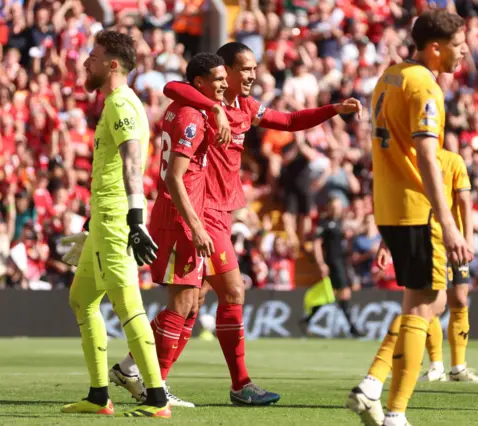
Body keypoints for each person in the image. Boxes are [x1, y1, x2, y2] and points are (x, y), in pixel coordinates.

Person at [118, 41, 362, 406]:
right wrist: (213, 106)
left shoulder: (244, 107)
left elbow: (291, 121)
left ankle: (136, 371)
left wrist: (333, 110)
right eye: (244, 69)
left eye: (253, 68)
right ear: (224, 72)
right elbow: (174, 87)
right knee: (223, 293)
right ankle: (221, 385)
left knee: (197, 300)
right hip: (200, 213)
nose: (251, 75)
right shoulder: (197, 107)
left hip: (217, 213)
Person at [346, 10, 472, 426]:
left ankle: (373, 384)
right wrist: (448, 221)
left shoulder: (390, 76)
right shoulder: (425, 86)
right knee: (424, 307)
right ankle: (395, 412)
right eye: (458, 44)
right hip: (417, 207)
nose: (464, 50)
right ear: (435, 48)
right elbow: (426, 156)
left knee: (422, 302)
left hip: (388, 204)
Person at [109, 53, 231, 408]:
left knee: (192, 303)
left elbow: (174, 88)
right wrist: (196, 225)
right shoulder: (192, 117)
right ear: (200, 83)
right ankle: (155, 385)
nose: (224, 84)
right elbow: (174, 177)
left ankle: (131, 367)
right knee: (181, 303)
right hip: (181, 218)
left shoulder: (185, 107)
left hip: (181, 214)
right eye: (218, 78)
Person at [59, 30, 170, 418]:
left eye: (92, 56)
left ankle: (157, 399)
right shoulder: (121, 102)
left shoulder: (120, 103)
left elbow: (132, 161)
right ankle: (98, 395)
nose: (85, 62)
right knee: (82, 298)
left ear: (111, 64)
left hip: (116, 217)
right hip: (105, 215)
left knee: (126, 303)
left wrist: (135, 219)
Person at [421, 149, 478, 384]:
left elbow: (465, 202)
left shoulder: (453, 160)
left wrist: (468, 240)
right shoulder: (416, 157)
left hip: (455, 241)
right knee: (433, 303)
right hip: (429, 241)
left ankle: (458, 367)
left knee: (459, 299)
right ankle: (436, 365)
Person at [312, 195, 362, 337]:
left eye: (338, 207)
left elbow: (355, 229)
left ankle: (308, 319)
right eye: (334, 207)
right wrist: (321, 263)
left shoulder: (340, 223)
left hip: (343, 262)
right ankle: (352, 328)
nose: (336, 209)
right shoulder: (324, 224)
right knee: (343, 292)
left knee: (334, 295)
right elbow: (316, 244)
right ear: (328, 207)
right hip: (333, 262)